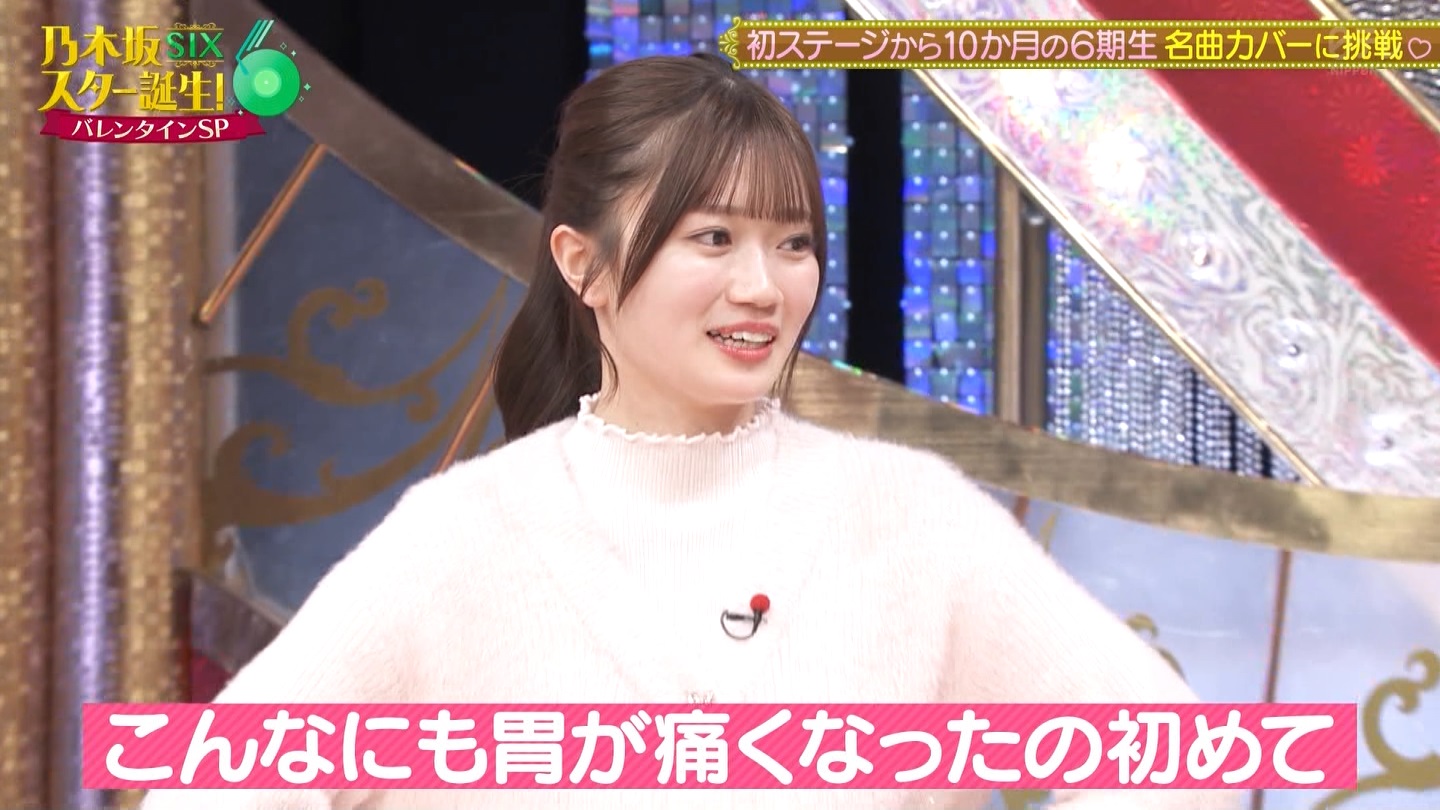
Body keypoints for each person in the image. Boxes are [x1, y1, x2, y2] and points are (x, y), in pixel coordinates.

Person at [143, 53, 1239, 809]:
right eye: (712, 238)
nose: (763, 286)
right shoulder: (461, 538)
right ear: (582, 264)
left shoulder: (907, 518)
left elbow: (1177, 760)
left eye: (792, 243)